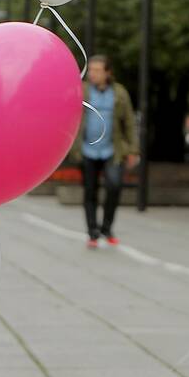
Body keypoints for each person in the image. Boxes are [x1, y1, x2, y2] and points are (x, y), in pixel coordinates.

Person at [72, 55, 137, 249]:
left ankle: (107, 227)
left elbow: (129, 122)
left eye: (97, 70)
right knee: (90, 191)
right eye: (90, 70)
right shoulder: (82, 90)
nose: (92, 74)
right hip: (87, 150)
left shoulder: (119, 93)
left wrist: (133, 149)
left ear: (108, 72)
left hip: (112, 150)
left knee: (114, 185)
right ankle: (93, 232)